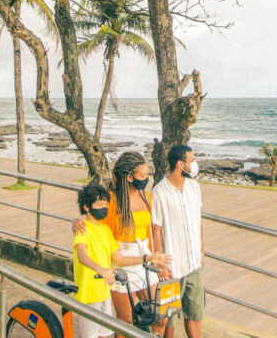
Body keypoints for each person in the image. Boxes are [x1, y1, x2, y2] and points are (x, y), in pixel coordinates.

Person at [73, 152, 169, 336]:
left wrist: (157, 258)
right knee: (126, 321)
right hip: (122, 259)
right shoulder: (111, 200)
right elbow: (95, 224)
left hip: (145, 258)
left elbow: (153, 229)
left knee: (160, 314)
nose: (146, 179)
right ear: (129, 177)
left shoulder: (146, 198)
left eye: (147, 175)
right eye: (142, 176)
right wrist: (77, 222)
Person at [152, 144, 204, 338]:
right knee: (168, 318)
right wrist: (161, 265)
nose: (195, 165)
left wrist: (202, 251)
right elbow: (156, 230)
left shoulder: (194, 187)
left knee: (195, 312)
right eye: (192, 161)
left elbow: (198, 221)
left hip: (194, 262)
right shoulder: (159, 192)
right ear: (181, 164)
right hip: (172, 267)